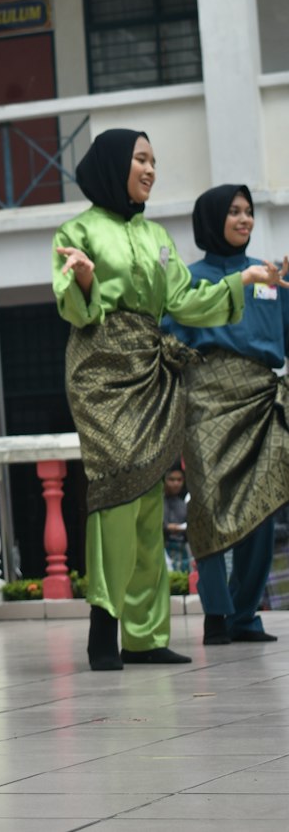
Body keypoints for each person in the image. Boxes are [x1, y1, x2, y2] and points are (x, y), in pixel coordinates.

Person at [53, 130, 284, 672]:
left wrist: (244, 280)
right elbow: (72, 306)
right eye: (141, 159)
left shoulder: (157, 236)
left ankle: (146, 634)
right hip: (101, 368)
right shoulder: (78, 228)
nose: (151, 169)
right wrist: (85, 282)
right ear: (114, 165)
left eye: (155, 160)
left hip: (154, 370)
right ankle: (103, 624)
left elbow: (185, 301)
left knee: (151, 497)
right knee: (115, 493)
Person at [163, 184, 289, 645]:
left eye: (249, 212)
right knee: (211, 507)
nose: (245, 220)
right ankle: (217, 612)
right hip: (206, 401)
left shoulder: (275, 281)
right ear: (211, 219)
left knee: (264, 507)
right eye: (234, 211)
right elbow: (169, 342)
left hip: (260, 397)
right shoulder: (189, 279)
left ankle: (244, 615)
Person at [162, 467, 191, 572]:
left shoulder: (183, 504)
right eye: (172, 479)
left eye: (179, 480)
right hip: (163, 548)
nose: (176, 483)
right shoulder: (158, 503)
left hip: (181, 549)